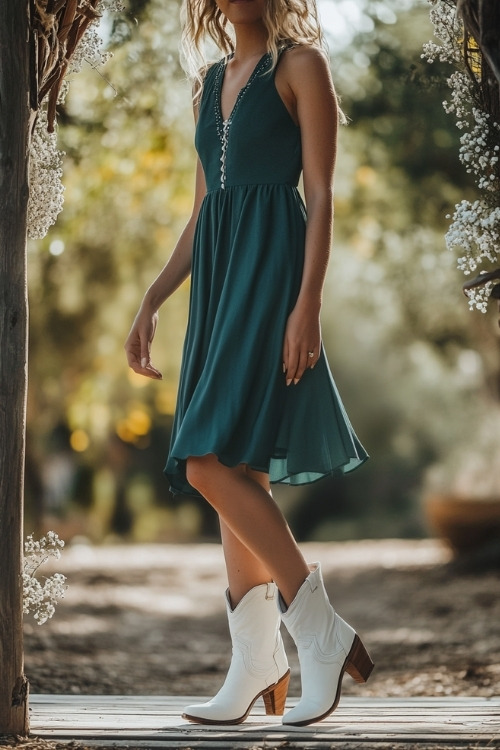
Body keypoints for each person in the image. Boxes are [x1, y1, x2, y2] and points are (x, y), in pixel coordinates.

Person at [125, 0, 373, 728]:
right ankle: (256, 662)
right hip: (218, 285)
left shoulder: (302, 67)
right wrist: (152, 297)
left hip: (271, 279)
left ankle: (321, 633)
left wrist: (308, 306)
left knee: (205, 461)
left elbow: (322, 193)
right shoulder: (206, 84)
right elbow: (203, 210)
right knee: (235, 466)